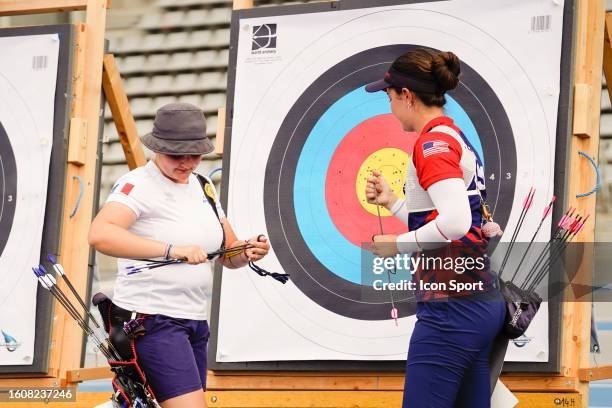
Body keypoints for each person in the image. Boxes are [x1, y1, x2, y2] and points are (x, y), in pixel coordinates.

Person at [88, 102, 270, 408]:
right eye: (177, 155)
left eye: (195, 155)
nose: (187, 163)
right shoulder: (138, 184)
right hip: (153, 319)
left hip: (194, 321)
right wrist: (172, 251)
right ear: (157, 149)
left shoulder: (203, 185)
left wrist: (249, 250)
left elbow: (229, 253)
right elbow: (100, 234)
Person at [364, 48, 505, 407]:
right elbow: (450, 220)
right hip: (475, 300)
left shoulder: (431, 145)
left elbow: (455, 223)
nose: (390, 105)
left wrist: (397, 244)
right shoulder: (452, 136)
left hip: (450, 309)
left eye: (389, 96)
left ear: (407, 96)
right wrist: (395, 203)